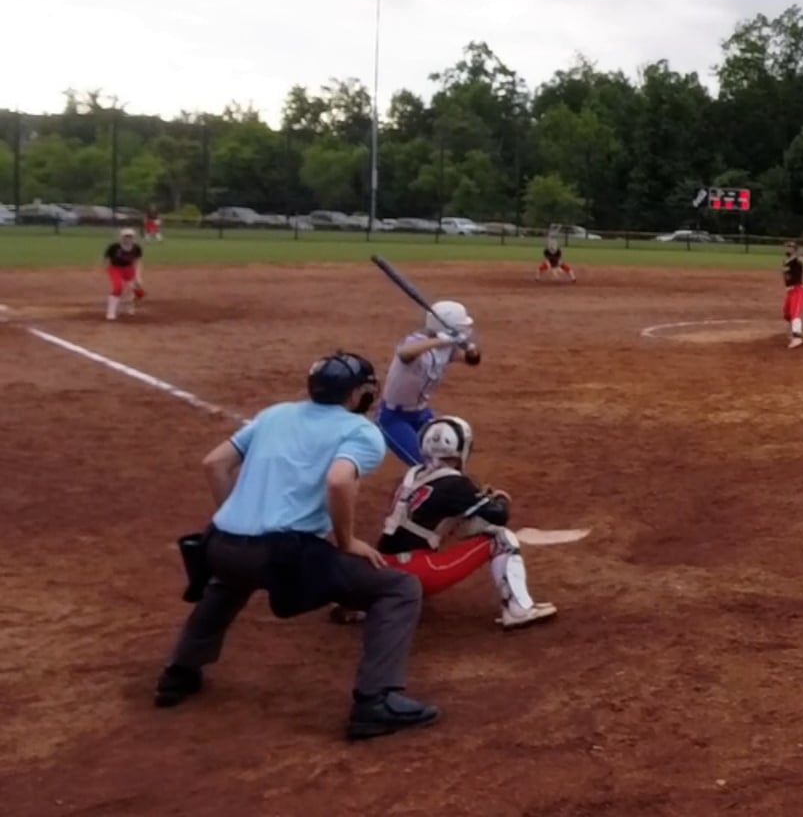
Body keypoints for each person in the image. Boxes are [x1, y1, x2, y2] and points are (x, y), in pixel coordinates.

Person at [152, 352, 439, 741]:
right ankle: (376, 701)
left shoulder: (275, 414)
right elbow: (339, 481)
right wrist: (347, 541)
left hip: (217, 545)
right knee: (399, 589)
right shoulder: (360, 431)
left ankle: (179, 673)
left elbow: (214, 464)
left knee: (230, 580)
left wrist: (239, 518)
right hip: (282, 554)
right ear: (356, 394)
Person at [373, 416, 557, 629]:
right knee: (501, 538)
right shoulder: (455, 483)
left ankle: (378, 600)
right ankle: (518, 610)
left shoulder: (411, 475)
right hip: (418, 571)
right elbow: (497, 515)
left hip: (381, 570)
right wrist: (499, 499)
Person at [377, 302, 481, 467]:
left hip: (421, 413)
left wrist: (471, 350)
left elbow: (472, 360)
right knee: (425, 465)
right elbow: (405, 353)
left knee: (447, 455)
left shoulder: (448, 348)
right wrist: (441, 340)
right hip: (393, 417)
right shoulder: (415, 342)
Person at [104, 227, 145, 321]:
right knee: (118, 287)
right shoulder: (114, 247)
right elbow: (106, 258)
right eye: (126, 236)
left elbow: (138, 262)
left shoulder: (136, 248)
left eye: (130, 237)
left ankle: (129, 306)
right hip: (115, 269)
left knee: (138, 291)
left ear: (133, 238)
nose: (128, 238)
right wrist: (104, 269)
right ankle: (111, 312)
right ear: (121, 237)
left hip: (129, 269)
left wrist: (138, 276)